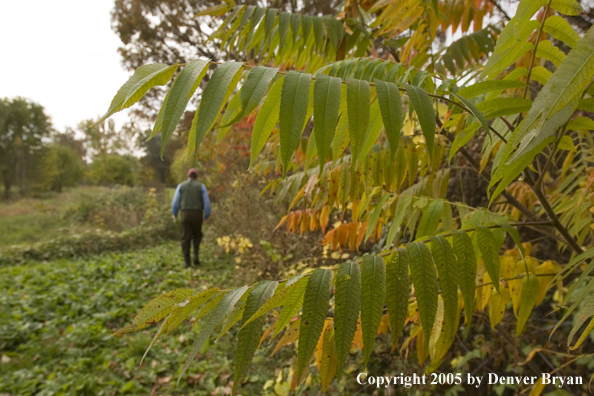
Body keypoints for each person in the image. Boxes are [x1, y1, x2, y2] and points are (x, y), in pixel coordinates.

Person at [171, 168, 211, 268]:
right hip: (197, 214)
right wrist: (207, 215)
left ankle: (187, 262)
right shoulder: (201, 186)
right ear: (196, 177)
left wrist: (174, 213)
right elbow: (206, 203)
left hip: (185, 214)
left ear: (188, 176)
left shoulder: (181, 186)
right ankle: (196, 256)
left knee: (185, 237)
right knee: (197, 235)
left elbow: (175, 201)